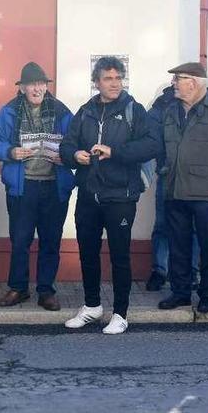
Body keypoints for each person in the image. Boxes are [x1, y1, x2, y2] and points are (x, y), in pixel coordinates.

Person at [59, 56, 158, 334]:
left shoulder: (134, 110)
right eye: (108, 78)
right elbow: (68, 145)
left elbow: (151, 145)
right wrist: (74, 155)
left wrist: (115, 152)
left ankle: (120, 313)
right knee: (88, 252)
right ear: (96, 82)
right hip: (89, 194)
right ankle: (92, 307)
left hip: (121, 196)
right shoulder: (85, 111)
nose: (114, 83)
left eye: (118, 78)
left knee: (119, 256)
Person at [0, 63, 74, 310]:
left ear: (46, 87)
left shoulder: (61, 111)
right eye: (32, 84)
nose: (37, 88)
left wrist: (65, 155)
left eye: (41, 84)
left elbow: (76, 142)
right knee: (20, 240)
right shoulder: (9, 111)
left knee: (50, 240)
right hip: (22, 187)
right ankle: (18, 288)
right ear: (22, 87)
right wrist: (11, 151)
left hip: (54, 186)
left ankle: (46, 290)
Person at [156, 63, 208, 314]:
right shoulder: (170, 111)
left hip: (206, 192)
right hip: (175, 188)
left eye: (177, 79)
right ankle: (181, 293)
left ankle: (207, 293)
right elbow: (162, 146)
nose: (173, 84)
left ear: (193, 82)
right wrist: (164, 169)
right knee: (178, 244)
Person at [145, 82, 200, 292]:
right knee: (162, 225)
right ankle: (159, 271)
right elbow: (151, 136)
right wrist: (164, 162)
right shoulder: (162, 105)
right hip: (168, 175)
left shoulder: (207, 103)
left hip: (197, 177)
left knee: (194, 227)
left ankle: (192, 271)